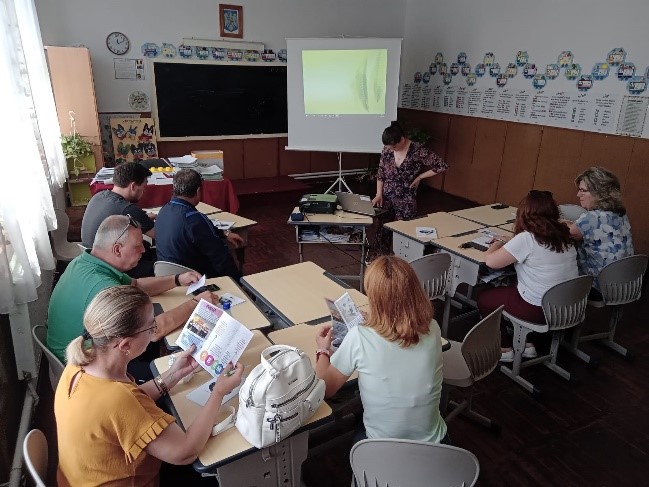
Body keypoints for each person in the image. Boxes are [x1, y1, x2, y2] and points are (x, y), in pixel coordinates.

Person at [55, 285, 243, 487]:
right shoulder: (117, 399)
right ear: (125, 345)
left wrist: (174, 374)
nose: (154, 330)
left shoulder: (77, 365)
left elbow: (128, 405)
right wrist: (218, 392)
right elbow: (185, 452)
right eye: (151, 326)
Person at [47, 214, 217, 366]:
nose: (143, 249)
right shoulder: (106, 288)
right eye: (137, 246)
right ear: (117, 249)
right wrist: (196, 303)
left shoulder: (83, 261)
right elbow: (154, 330)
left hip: (76, 354)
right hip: (83, 368)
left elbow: (136, 285)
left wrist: (177, 279)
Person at [314, 255, 448, 444]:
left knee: (357, 418)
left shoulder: (359, 337)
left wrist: (322, 350)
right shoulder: (433, 328)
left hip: (382, 448)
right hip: (436, 445)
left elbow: (325, 388)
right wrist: (376, 320)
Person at [477, 190, 579, 362]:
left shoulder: (527, 238)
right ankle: (528, 344)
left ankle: (504, 348)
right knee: (521, 288)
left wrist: (498, 243)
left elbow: (491, 261)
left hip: (540, 311)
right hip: (568, 308)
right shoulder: (564, 236)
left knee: (484, 298)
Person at [369, 121, 448, 259]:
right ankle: (381, 259)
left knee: (405, 229)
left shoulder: (417, 150)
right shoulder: (387, 150)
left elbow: (441, 166)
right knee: (382, 228)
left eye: (395, 147)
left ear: (402, 139)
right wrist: (378, 193)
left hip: (406, 197)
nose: (392, 150)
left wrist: (420, 177)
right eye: (389, 148)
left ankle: (404, 260)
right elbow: (381, 172)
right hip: (386, 195)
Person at [155, 168, 244, 279]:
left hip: (165, 277)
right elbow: (220, 257)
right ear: (198, 191)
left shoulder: (163, 210)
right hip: (195, 278)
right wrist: (238, 281)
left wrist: (224, 233)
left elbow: (201, 232)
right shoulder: (194, 219)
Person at [81, 162, 157, 277]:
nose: (143, 191)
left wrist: (143, 218)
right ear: (133, 186)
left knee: (145, 246)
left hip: (90, 259)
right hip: (110, 269)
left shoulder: (99, 196)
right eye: (143, 187)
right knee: (158, 262)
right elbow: (159, 235)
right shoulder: (128, 209)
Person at [567, 167, 634, 293]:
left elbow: (565, 231)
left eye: (582, 190)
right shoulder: (621, 214)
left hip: (600, 288)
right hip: (626, 285)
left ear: (599, 193)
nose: (578, 195)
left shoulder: (591, 218)